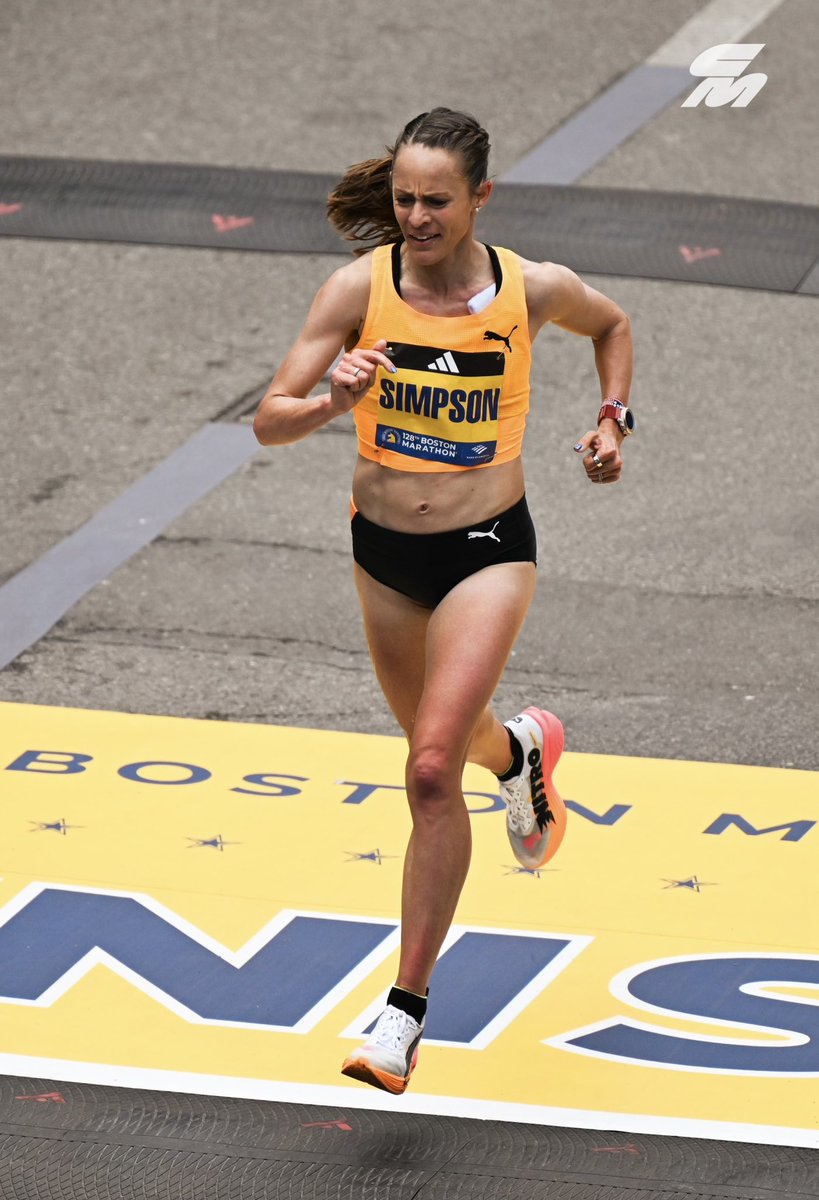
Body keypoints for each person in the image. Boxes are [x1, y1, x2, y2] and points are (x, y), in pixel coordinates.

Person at [253, 108, 633, 1095]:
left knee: (427, 770)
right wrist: (333, 399)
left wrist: (611, 421)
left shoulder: (529, 289)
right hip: (383, 555)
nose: (416, 217)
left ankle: (403, 1017)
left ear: (479, 200)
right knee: (455, 742)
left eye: (435, 201)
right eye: (405, 199)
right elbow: (270, 421)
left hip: (487, 549)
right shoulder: (356, 289)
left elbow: (614, 326)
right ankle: (521, 757)